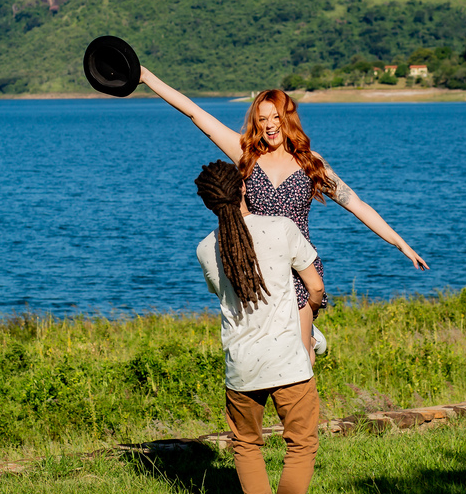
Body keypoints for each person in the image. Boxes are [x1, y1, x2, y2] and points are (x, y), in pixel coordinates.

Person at [141, 68, 428, 363]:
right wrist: (147, 77)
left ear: (288, 118)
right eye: (262, 119)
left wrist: (400, 244)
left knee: (301, 359)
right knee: (264, 355)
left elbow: (356, 203)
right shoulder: (246, 154)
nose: (270, 125)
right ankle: (308, 336)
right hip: (258, 264)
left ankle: (308, 337)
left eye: (276, 117)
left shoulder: (310, 163)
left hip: (299, 266)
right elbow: (194, 112)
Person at [194, 159, 325, 494]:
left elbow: (223, 294)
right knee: (301, 443)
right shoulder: (281, 228)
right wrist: (312, 312)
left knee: (246, 446)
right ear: (244, 188)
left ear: (208, 203)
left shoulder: (205, 248)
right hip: (288, 361)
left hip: (241, 366)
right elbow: (315, 286)